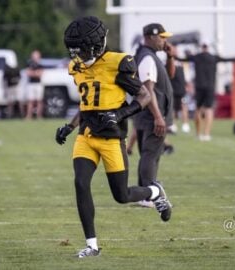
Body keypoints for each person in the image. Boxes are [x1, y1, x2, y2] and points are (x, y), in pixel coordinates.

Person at [55, 16, 172, 258]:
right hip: (86, 135)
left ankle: (155, 192)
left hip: (111, 139)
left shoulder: (119, 63)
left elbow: (144, 96)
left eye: (83, 50)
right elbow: (87, 104)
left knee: (122, 196)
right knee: (80, 183)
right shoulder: (77, 66)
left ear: (96, 46)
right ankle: (92, 245)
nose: (78, 55)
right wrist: (69, 126)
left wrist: (119, 114)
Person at [133, 23, 175, 207]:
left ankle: (146, 192)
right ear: (151, 37)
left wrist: (170, 56)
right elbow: (147, 89)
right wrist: (158, 116)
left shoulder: (151, 56)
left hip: (148, 115)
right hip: (151, 116)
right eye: (162, 37)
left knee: (149, 155)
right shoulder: (147, 58)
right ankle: (147, 195)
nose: (165, 41)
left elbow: (171, 75)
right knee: (150, 155)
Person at [176, 42, 235, 141]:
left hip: (199, 86)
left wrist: (172, 55)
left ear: (201, 47)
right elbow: (227, 59)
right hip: (210, 87)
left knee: (198, 109)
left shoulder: (196, 57)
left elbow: (182, 59)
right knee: (209, 109)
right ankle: (206, 134)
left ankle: (198, 134)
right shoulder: (213, 57)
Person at [25, 50, 44, 119]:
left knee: (39, 100)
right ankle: (29, 116)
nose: (35, 58)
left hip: (38, 84)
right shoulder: (29, 64)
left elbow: (40, 74)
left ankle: (39, 116)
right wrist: (35, 73)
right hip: (31, 84)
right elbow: (28, 73)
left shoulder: (40, 65)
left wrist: (33, 73)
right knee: (30, 100)